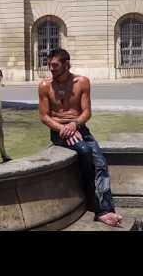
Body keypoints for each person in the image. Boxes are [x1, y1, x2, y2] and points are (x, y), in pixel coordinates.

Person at [38, 48, 122, 227]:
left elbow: (86, 112)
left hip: (79, 128)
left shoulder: (82, 82)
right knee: (84, 151)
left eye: (55, 65)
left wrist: (74, 125)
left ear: (66, 64)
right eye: (49, 65)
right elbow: (44, 116)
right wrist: (63, 128)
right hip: (58, 130)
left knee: (100, 161)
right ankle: (99, 207)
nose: (51, 69)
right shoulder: (45, 86)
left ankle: (104, 209)